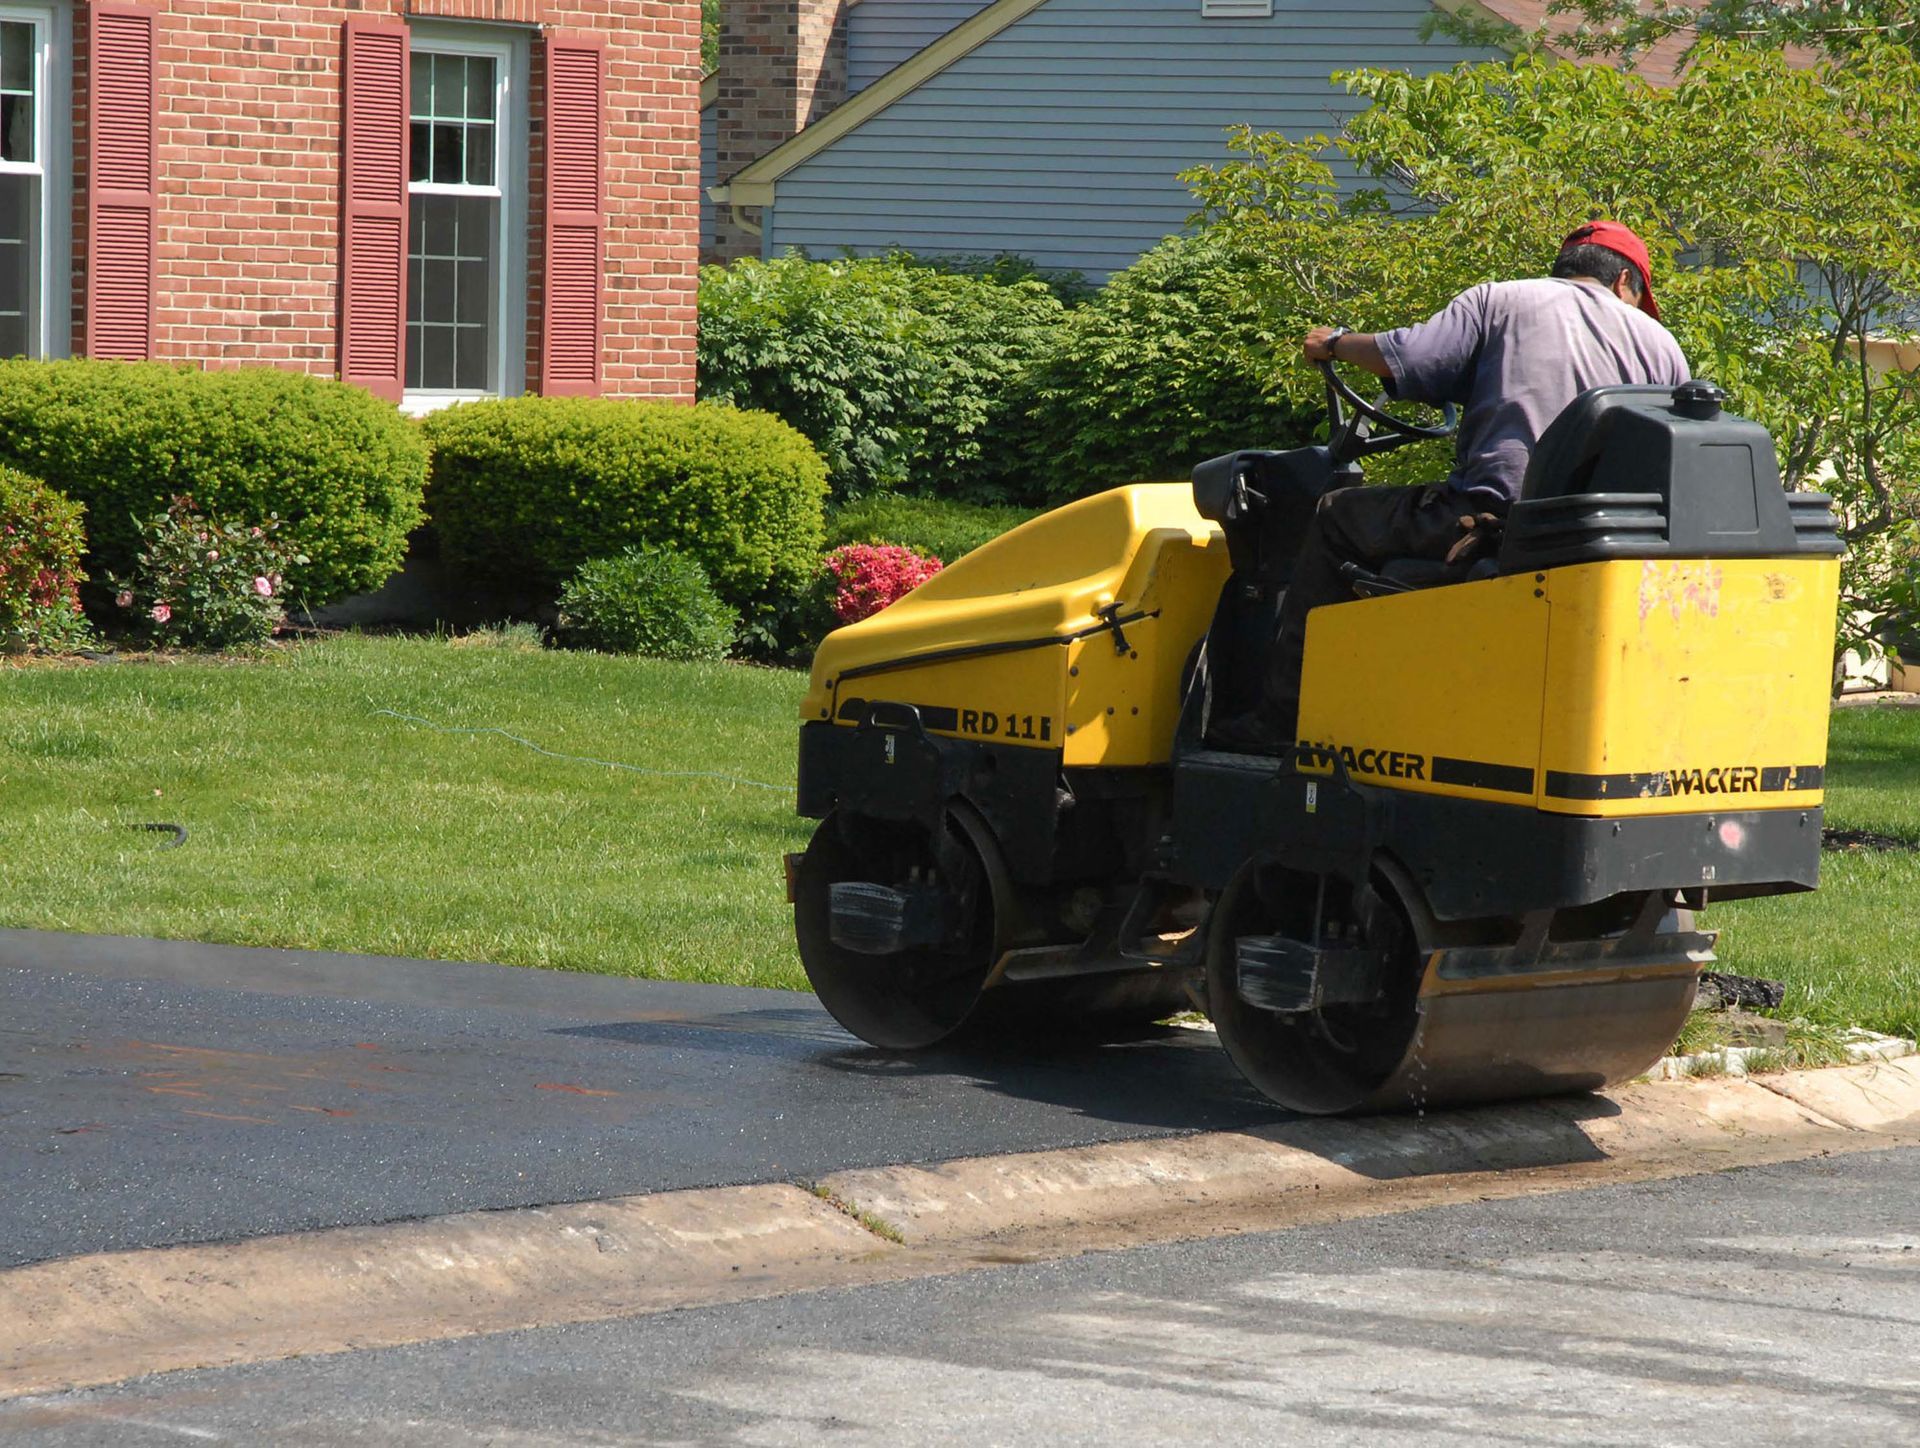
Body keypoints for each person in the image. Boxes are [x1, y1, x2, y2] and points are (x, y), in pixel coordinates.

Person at [1211, 220, 1690, 754]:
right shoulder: (1663, 347)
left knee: (1336, 514)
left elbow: (1409, 358)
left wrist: (1336, 343)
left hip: (1491, 523)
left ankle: (1279, 721)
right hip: (1593, 540)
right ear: (1626, 280)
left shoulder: (1501, 301)